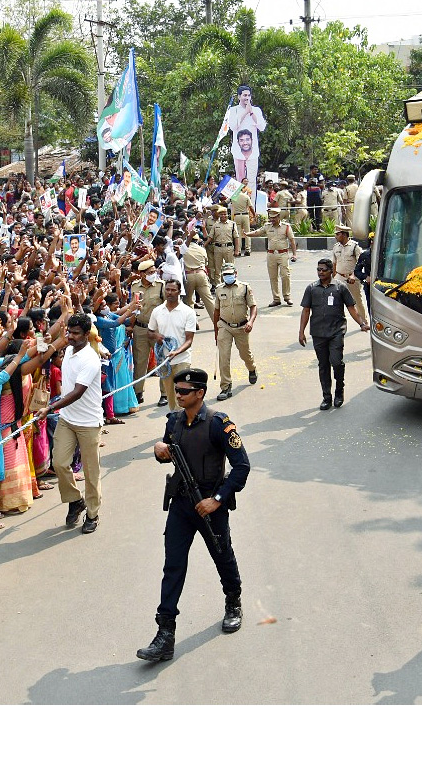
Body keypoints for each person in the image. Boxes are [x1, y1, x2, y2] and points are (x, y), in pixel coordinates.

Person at [137, 367, 250, 662]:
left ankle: (233, 600)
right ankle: (165, 634)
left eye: (184, 392)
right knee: (172, 566)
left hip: (211, 505)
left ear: (200, 394)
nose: (178, 396)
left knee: (222, 555)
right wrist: (159, 450)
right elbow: (167, 453)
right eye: (177, 391)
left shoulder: (218, 423)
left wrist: (217, 500)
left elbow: (242, 467)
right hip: (182, 504)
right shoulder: (174, 420)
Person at [49, 313, 105, 534]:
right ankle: (75, 500)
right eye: (69, 332)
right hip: (67, 419)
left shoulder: (91, 359)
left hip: (89, 423)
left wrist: (51, 408)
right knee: (60, 463)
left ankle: (92, 514)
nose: (70, 337)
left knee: (92, 473)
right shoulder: (69, 350)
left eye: (75, 334)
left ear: (86, 334)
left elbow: (78, 392)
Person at [298, 258, 370, 410]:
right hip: (318, 333)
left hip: (336, 331)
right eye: (318, 269)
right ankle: (326, 397)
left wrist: (362, 323)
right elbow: (305, 311)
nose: (321, 272)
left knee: (336, 362)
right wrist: (301, 332)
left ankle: (339, 390)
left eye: (324, 269)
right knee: (323, 365)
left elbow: (351, 308)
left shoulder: (340, 288)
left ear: (332, 271)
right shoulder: (311, 289)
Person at [148, 279, 196, 411]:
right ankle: (176, 425)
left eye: (173, 290)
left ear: (179, 292)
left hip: (182, 360)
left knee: (182, 396)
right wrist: (156, 336)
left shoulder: (188, 312)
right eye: (167, 289)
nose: (170, 292)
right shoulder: (157, 311)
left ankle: (184, 425)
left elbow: (189, 340)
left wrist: (177, 352)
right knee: (171, 397)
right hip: (164, 362)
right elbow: (150, 332)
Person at [213, 263, 258, 400]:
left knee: (245, 354)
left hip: (241, 327)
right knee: (224, 357)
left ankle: (252, 368)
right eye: (225, 274)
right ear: (222, 275)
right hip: (225, 326)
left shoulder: (244, 288)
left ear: (235, 273)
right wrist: (216, 331)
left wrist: (250, 322)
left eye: (230, 274)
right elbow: (216, 311)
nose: (228, 276)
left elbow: (253, 307)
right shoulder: (219, 289)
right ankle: (226, 387)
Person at [129, 259, 165, 405]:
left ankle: (164, 393)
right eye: (150, 273)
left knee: (162, 361)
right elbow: (133, 308)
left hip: (157, 329)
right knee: (140, 361)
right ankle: (138, 392)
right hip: (140, 328)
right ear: (142, 274)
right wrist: (131, 326)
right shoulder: (134, 287)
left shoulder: (161, 286)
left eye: (154, 271)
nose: (153, 274)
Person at [227, 84, 266, 186]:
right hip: (238, 151)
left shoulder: (256, 110)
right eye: (244, 95)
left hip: (253, 151)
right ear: (239, 96)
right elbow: (233, 126)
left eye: (249, 95)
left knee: (252, 181)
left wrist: (251, 113)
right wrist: (245, 112)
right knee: (240, 180)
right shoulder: (233, 110)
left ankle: (251, 202)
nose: (247, 98)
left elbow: (262, 127)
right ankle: (241, 201)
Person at [331, 226, 369, 327]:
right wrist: (333, 276)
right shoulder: (335, 247)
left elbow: (360, 263)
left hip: (352, 278)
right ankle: (337, 322)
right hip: (339, 277)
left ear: (344, 234)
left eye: (337, 234)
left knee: (356, 300)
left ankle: (363, 322)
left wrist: (353, 275)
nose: (336, 236)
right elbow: (334, 263)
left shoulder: (354, 247)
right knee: (335, 299)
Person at [263, 207, 297, 307]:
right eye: (270, 218)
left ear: (278, 217)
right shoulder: (267, 226)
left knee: (285, 275)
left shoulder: (286, 226)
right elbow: (258, 232)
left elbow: (292, 241)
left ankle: (287, 297)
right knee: (273, 277)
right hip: (271, 254)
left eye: (274, 218)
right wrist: (247, 234)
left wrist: (294, 254)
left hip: (283, 254)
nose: (272, 220)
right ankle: (276, 299)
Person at [206, 205, 239, 284]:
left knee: (230, 268)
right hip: (217, 248)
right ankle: (219, 286)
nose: (223, 216)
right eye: (221, 214)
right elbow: (210, 237)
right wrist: (204, 245)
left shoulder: (232, 224)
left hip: (229, 248)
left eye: (225, 214)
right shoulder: (215, 225)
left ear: (228, 214)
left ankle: (231, 283)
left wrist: (237, 250)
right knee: (218, 269)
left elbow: (236, 237)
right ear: (219, 215)